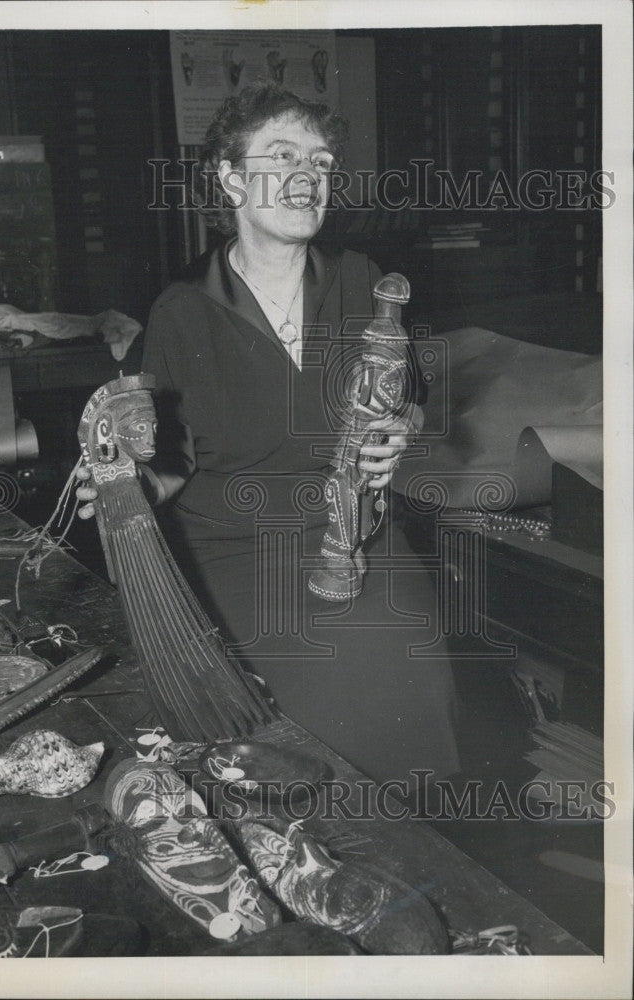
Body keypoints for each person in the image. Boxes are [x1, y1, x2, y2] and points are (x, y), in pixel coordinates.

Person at [78, 83, 460, 785]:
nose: (307, 177)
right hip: (236, 546)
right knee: (296, 728)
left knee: (413, 691)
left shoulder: (362, 281)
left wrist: (400, 434)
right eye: (282, 157)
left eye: (319, 162)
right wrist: (116, 484)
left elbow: (411, 402)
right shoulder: (183, 310)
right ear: (230, 177)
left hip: (356, 533)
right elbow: (169, 467)